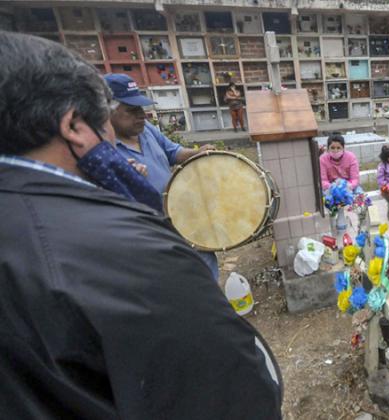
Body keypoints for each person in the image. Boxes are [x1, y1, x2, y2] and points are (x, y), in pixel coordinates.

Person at [0, 31, 282, 419]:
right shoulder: (129, 249)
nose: (130, 122)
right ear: (76, 127)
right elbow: (229, 387)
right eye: (108, 121)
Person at [105, 73, 219, 280]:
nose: (142, 115)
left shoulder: (145, 129)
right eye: (132, 110)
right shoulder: (102, 151)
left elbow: (172, 152)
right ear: (106, 112)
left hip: (180, 216)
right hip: (150, 232)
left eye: (141, 108)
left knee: (205, 265)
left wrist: (197, 152)